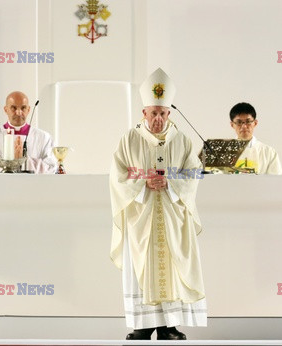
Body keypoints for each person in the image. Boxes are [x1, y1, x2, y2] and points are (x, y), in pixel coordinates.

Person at [109, 68, 207, 340]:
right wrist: (142, 184)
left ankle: (169, 325)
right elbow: (117, 176)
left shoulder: (183, 140)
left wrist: (171, 184)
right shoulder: (129, 139)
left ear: (169, 114)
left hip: (173, 218)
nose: (157, 119)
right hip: (141, 217)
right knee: (141, 267)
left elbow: (194, 173)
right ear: (144, 113)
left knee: (172, 266)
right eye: (152, 113)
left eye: (162, 113)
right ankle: (142, 325)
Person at [0, 91, 56, 173]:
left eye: (23, 108)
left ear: (28, 109)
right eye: (13, 108)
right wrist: (13, 163)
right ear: (6, 110)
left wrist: (24, 160)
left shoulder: (44, 137)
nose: (19, 112)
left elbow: (51, 168)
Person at [229, 102, 282, 174]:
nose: (244, 126)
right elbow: (215, 181)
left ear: (255, 123)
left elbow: (277, 182)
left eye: (248, 121)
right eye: (239, 122)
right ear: (232, 125)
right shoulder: (222, 153)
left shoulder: (269, 152)